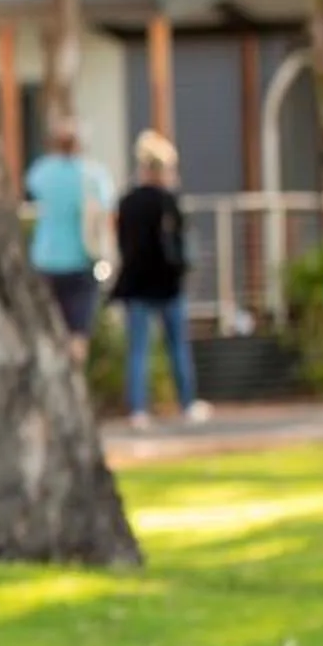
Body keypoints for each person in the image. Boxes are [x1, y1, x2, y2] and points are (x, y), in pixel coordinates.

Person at [113, 130, 207, 427]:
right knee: (177, 346)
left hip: (137, 282)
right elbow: (181, 243)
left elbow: (122, 242)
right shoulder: (169, 201)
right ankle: (187, 403)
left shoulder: (128, 202)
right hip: (167, 284)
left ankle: (138, 409)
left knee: (138, 350)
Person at [26, 121, 114, 365]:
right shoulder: (93, 175)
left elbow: (31, 187)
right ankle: (73, 383)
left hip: (45, 259)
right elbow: (106, 207)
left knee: (49, 330)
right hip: (81, 261)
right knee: (78, 331)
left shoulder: (42, 171)